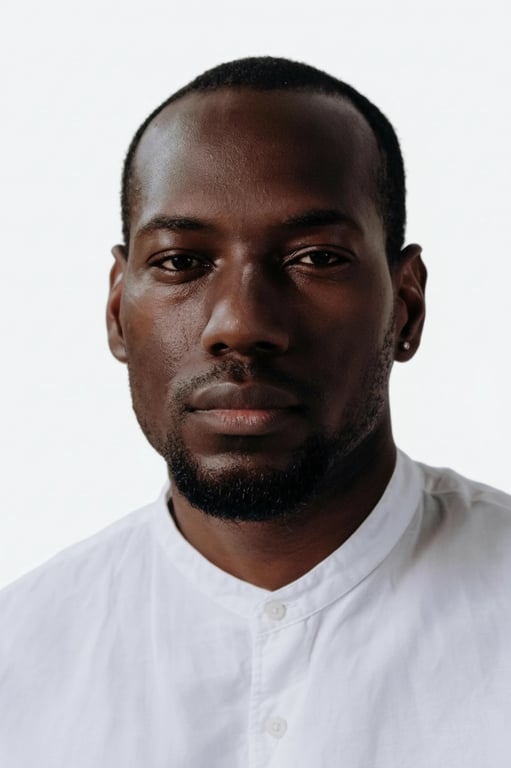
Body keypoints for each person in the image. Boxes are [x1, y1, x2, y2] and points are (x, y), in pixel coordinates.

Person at [1, 56, 510, 767]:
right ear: (117, 311)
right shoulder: (17, 661)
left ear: (407, 306)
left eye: (314, 257)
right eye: (181, 262)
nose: (241, 323)